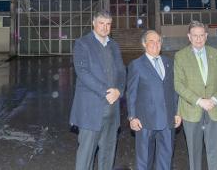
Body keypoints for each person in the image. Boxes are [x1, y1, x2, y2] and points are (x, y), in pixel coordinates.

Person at [70, 10, 126, 170]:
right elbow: (83, 72)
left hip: (112, 110)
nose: (105, 27)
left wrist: (119, 91)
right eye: (101, 23)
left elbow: (122, 71)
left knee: (108, 155)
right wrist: (106, 92)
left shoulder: (114, 45)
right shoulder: (82, 43)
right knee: (86, 156)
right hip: (91, 110)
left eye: (108, 24)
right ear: (93, 23)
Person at [174, 20, 217, 170]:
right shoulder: (180, 56)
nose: (198, 39)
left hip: (214, 108)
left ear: (206, 36)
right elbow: (179, 85)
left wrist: (215, 99)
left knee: (214, 151)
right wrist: (199, 101)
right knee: (194, 152)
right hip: (192, 111)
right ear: (189, 37)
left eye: (201, 35)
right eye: (195, 35)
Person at [127, 30, 182, 170]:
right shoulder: (136, 65)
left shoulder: (169, 63)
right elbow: (131, 93)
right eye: (151, 41)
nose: (155, 44)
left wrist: (177, 112)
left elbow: (174, 91)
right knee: (144, 161)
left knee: (166, 161)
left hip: (168, 121)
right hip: (145, 121)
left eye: (158, 41)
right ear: (144, 44)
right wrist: (132, 117)